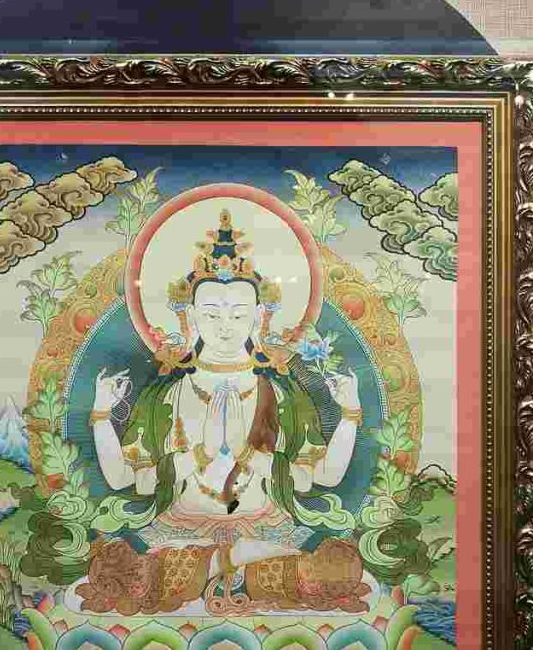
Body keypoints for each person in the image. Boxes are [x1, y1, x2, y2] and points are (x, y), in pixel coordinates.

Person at [77, 211, 374, 615]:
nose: (225, 326)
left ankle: (229, 564)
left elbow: (326, 476)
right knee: (128, 573)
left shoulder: (282, 395)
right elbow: (121, 478)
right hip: (180, 537)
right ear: (189, 317)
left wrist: (350, 412)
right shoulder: (166, 397)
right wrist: (102, 414)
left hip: (270, 532)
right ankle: (232, 563)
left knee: (332, 571)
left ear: (260, 317)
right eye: (211, 314)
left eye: (238, 314)